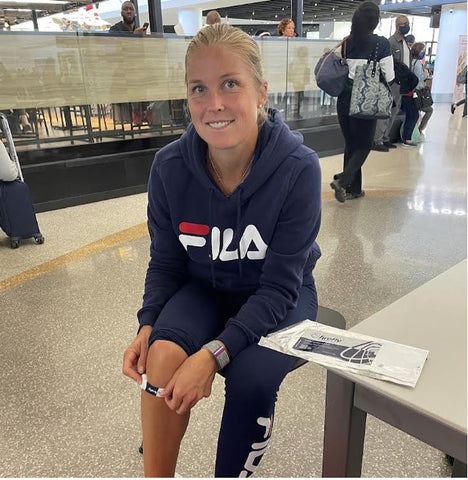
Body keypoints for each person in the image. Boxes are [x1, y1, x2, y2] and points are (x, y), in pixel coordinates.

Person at [122, 23, 322, 478]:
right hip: (205, 287)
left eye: (230, 84)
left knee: (251, 379)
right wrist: (148, 323)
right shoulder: (169, 168)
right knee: (164, 355)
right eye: (199, 89)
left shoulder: (299, 170)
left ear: (261, 92)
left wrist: (214, 354)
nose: (214, 104)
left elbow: (278, 289)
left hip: (280, 298)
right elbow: (167, 261)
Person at [330, 1, 394, 203]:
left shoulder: (347, 41)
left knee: (351, 143)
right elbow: (390, 76)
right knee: (365, 145)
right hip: (365, 98)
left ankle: (353, 190)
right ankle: (343, 180)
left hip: (344, 98)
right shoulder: (381, 44)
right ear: (376, 22)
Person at [372, 15, 411, 152]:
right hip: (391, 82)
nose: (406, 25)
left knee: (393, 111)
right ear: (397, 25)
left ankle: (385, 137)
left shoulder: (405, 42)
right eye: (403, 23)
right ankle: (377, 140)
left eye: (407, 23)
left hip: (401, 82)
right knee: (385, 110)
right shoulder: (391, 42)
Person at [410, 42, 433, 135]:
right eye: (423, 50)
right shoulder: (418, 64)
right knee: (429, 110)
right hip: (418, 91)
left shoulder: (411, 61)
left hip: (411, 90)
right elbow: (418, 77)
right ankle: (420, 129)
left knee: (416, 112)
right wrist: (426, 75)